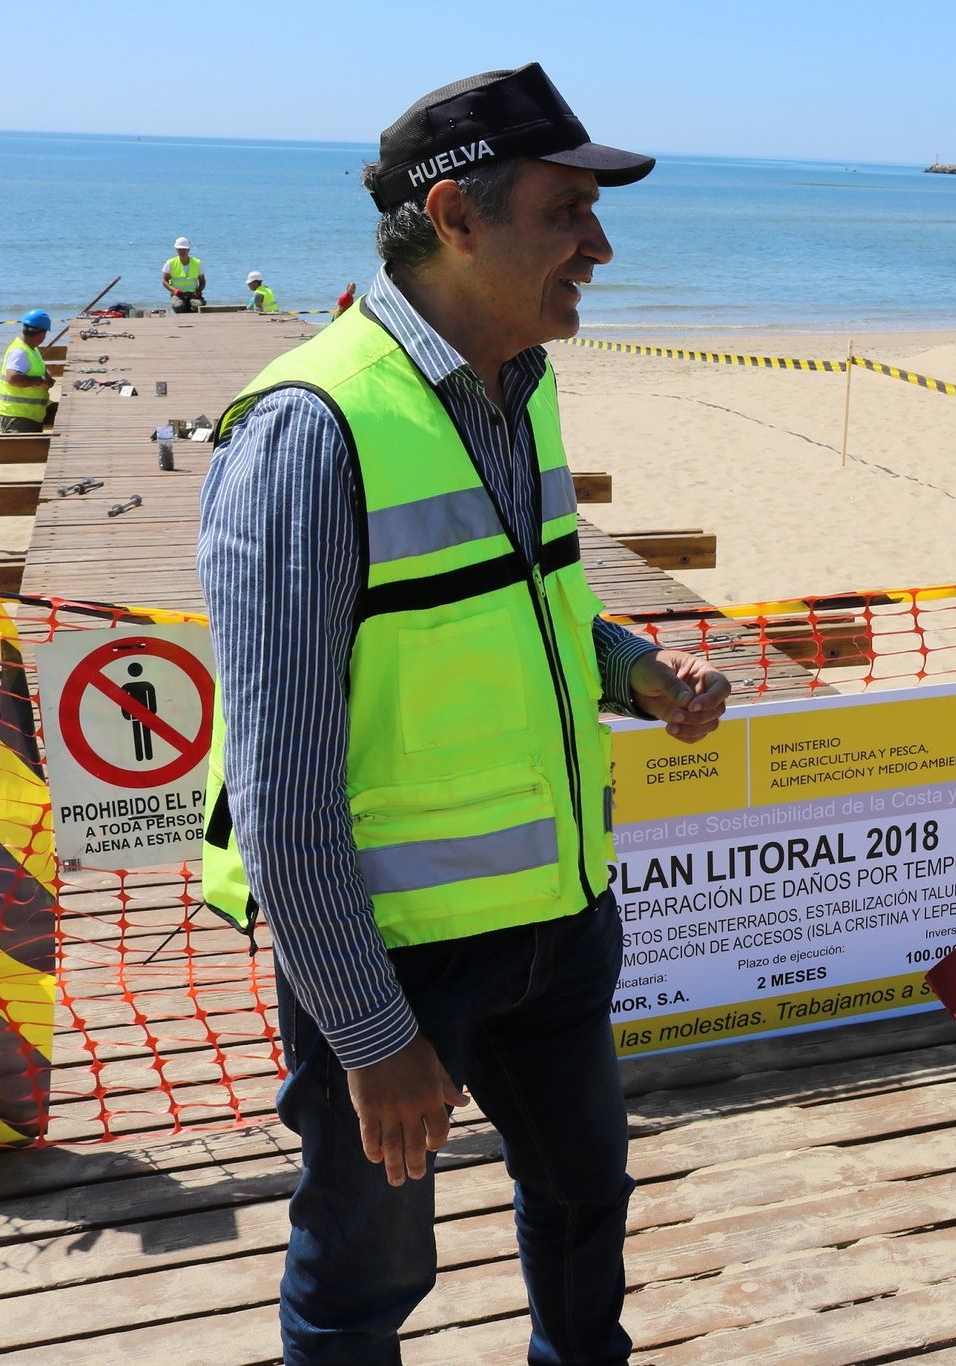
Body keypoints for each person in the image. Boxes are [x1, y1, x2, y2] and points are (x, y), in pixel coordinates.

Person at [197, 62, 730, 1366]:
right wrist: (372, 1035)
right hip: (397, 957)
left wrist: (628, 670)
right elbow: (283, 783)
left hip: (560, 914)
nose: (599, 246)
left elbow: (517, 603)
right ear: (454, 217)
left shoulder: (519, 380)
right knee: (364, 1283)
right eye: (565, 212)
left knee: (585, 1209)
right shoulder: (310, 429)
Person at [0, 309, 54, 432]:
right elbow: (13, 378)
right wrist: (39, 381)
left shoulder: (31, 349)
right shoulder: (19, 351)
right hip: (17, 417)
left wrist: (47, 376)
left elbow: (39, 368)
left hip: (29, 416)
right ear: (42, 333)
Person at [162, 236, 206, 312]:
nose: (182, 251)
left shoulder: (197, 262)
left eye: (184, 249)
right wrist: (173, 290)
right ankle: (184, 305)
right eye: (179, 249)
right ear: (176, 250)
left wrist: (199, 290)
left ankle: (191, 304)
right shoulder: (170, 262)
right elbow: (164, 280)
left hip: (193, 294)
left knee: (198, 306)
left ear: (188, 249)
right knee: (178, 307)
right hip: (177, 294)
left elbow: (202, 281)